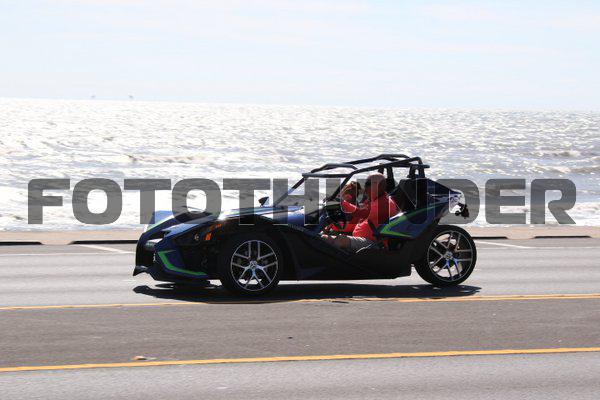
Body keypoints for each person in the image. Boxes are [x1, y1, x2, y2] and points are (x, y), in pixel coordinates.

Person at [322, 173, 399, 252]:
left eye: (368, 184)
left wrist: (341, 202)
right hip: (361, 239)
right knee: (322, 238)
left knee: (340, 240)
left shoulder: (385, 203)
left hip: (374, 244)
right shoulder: (374, 201)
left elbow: (361, 213)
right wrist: (336, 226)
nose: (365, 187)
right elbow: (358, 223)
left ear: (380, 186)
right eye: (365, 184)